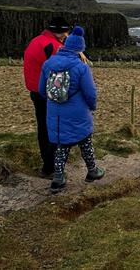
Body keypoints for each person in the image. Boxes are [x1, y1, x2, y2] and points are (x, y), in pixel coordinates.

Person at [39, 26, 105, 193]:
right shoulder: (81, 68)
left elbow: (41, 90)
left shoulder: (48, 64)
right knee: (86, 143)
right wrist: (93, 107)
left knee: (61, 147)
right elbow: (90, 93)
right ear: (79, 49)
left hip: (56, 115)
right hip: (78, 114)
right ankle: (92, 171)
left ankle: (58, 179)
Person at [23, 17, 70, 178]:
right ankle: (53, 168)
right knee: (54, 130)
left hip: (36, 91)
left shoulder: (37, 40)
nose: (67, 35)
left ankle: (48, 166)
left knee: (43, 128)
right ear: (60, 32)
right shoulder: (54, 46)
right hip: (49, 94)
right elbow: (62, 71)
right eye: (66, 32)